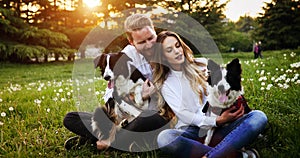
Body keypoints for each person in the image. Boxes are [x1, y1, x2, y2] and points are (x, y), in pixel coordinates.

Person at [63, 14, 173, 151]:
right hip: (126, 117)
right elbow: (111, 96)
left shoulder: (170, 49)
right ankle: (119, 139)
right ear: (131, 42)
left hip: (153, 116)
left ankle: (100, 142)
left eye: (151, 38)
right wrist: (139, 96)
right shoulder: (125, 57)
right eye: (141, 42)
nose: (149, 45)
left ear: (154, 31)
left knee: (150, 120)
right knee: (71, 118)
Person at [152, 31, 268, 158]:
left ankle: (211, 153)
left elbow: (225, 83)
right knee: (164, 138)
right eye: (169, 50)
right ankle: (238, 155)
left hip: (222, 126)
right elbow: (184, 115)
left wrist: (227, 111)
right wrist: (216, 121)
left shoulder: (202, 64)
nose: (177, 51)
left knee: (258, 117)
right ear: (162, 56)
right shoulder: (166, 83)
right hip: (194, 132)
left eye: (177, 45)